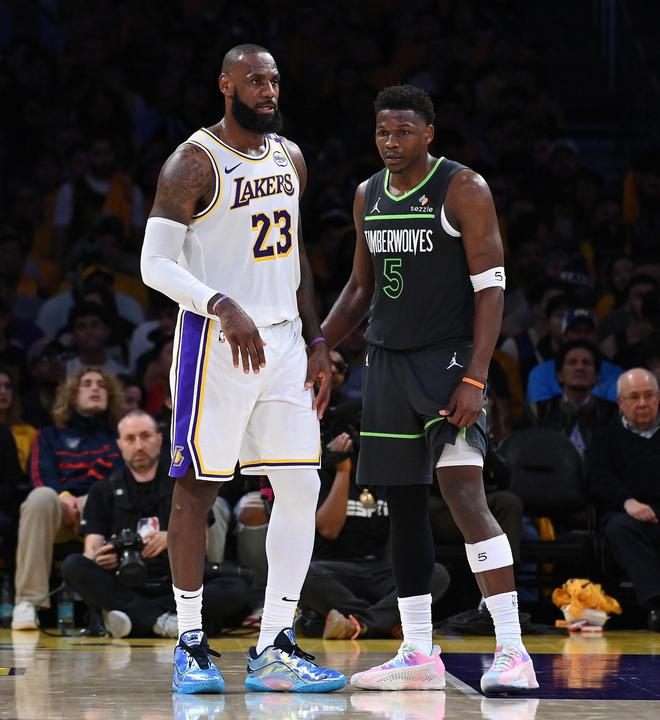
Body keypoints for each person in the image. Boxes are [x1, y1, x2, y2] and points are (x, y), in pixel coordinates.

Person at [140, 44, 345, 694]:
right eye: (255, 80)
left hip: (284, 344)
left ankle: (274, 645)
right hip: (215, 341)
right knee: (197, 489)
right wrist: (220, 304)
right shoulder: (192, 162)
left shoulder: (291, 157)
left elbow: (295, 253)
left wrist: (318, 338)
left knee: (301, 485)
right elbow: (154, 264)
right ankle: (191, 643)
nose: (268, 90)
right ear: (226, 84)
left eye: (275, 80)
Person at [321, 84, 538, 694]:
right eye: (383, 132)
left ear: (428, 134)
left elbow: (491, 288)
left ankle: (513, 651)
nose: (391, 142)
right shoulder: (367, 194)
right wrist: (318, 343)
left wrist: (476, 376)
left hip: (448, 361)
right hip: (386, 365)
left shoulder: (463, 187)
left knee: (465, 494)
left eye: (403, 132)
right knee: (404, 506)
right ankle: (417, 651)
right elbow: (359, 290)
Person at [61, 410, 250, 639]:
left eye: (145, 436)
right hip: (124, 582)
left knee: (236, 588)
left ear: (159, 440)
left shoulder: (184, 484)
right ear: (119, 444)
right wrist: (103, 556)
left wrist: (171, 538)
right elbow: (91, 549)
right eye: (130, 439)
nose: (138, 445)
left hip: (176, 584)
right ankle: (165, 621)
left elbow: (204, 543)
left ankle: (137, 619)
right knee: (73, 565)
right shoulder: (103, 490)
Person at [11, 368, 124, 630]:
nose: (95, 388)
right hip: (59, 514)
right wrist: (64, 497)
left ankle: (111, 607)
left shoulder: (119, 438)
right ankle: (28, 602)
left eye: (101, 385)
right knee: (40, 497)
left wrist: (88, 502)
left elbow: (120, 482)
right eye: (87, 384)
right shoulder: (49, 435)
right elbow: (40, 476)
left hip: (101, 515)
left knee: (117, 501)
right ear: (72, 395)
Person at [588, 368, 660, 632]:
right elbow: (598, 480)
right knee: (619, 529)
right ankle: (657, 604)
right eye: (634, 397)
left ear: (658, 398)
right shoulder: (605, 437)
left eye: (649, 395)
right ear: (620, 402)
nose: (642, 403)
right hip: (626, 512)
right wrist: (628, 502)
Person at [523, 339, 618, 454]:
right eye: (572, 362)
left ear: (596, 377)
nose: (580, 368)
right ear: (559, 376)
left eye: (586, 363)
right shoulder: (538, 411)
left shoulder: (614, 413)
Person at [526, 309, 623, 404]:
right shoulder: (540, 374)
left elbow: (614, 409)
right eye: (576, 331)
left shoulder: (615, 374)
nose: (582, 336)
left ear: (596, 337)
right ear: (564, 337)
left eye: (588, 331)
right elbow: (541, 410)